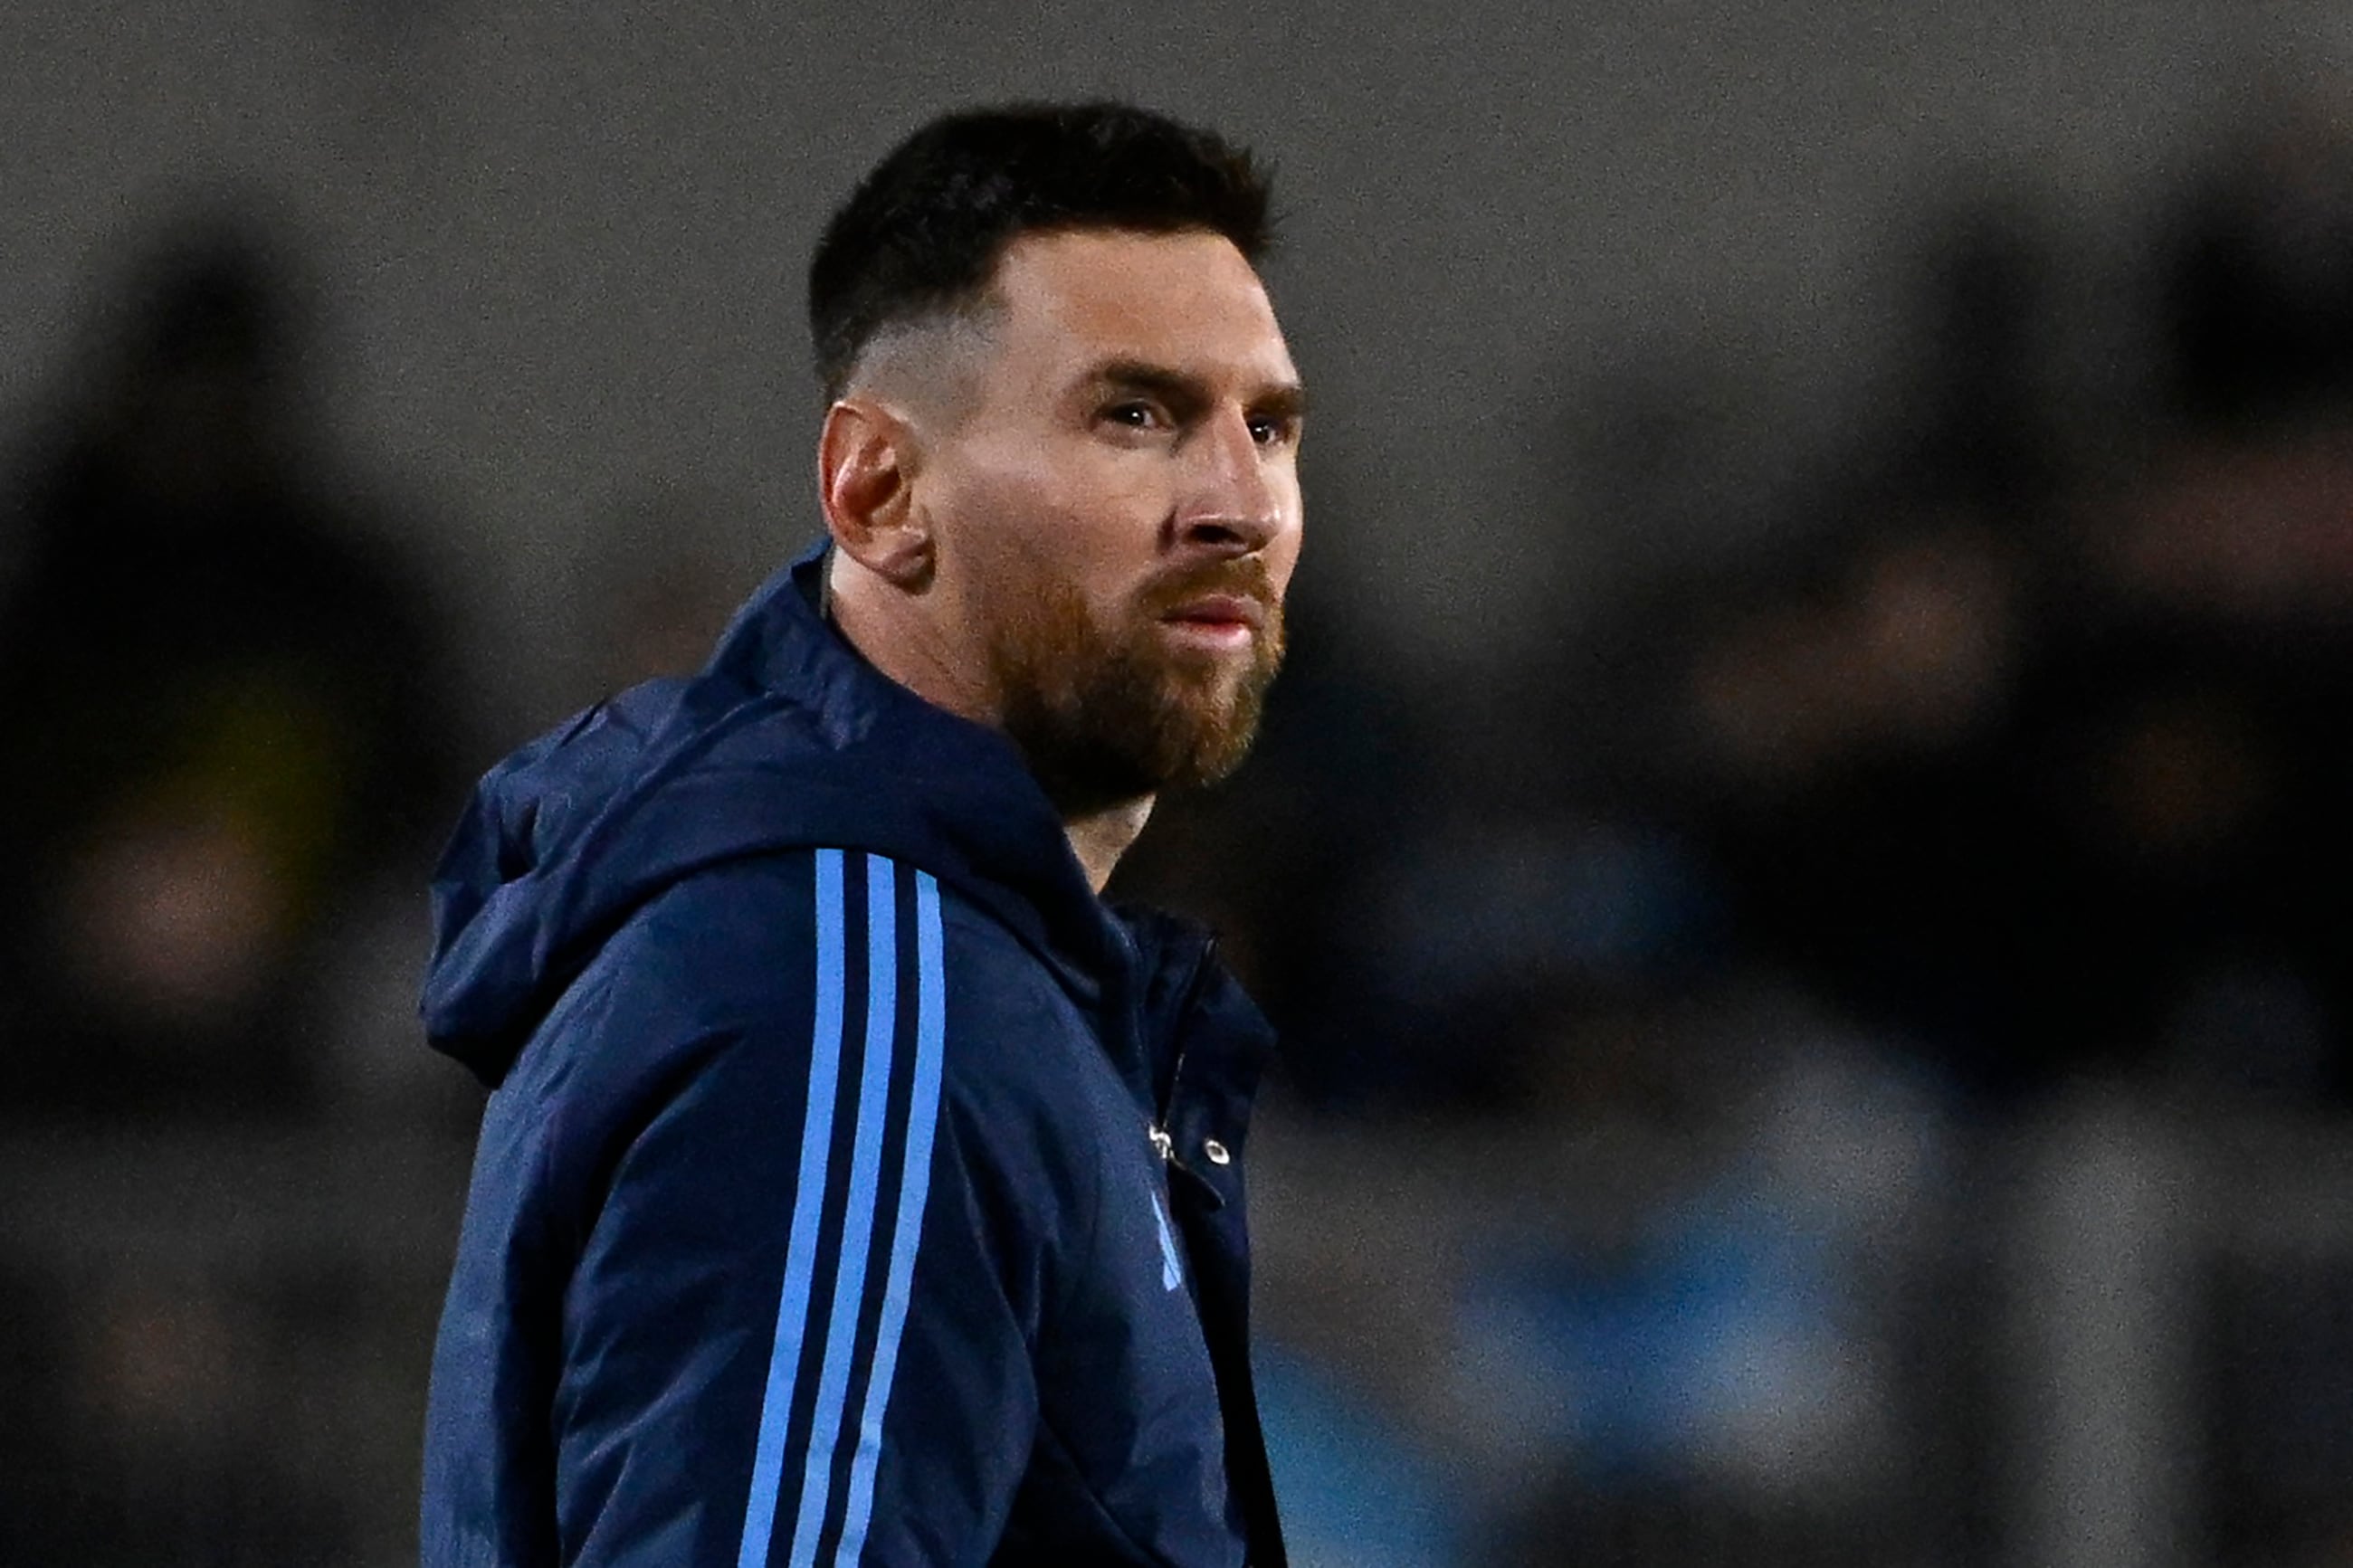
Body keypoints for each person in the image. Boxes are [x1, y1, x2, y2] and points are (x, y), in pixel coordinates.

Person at [418, 101, 1307, 1566]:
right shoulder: (853, 1001)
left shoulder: (925, 972)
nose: (1238, 504)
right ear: (879, 492)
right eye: (1134, 415)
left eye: (1265, 426)